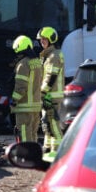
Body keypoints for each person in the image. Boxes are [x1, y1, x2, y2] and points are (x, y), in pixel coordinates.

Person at [10, 35, 44, 143]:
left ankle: (26, 156)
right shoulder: (38, 62)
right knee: (33, 134)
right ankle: (34, 156)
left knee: (24, 135)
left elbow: (21, 87)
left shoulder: (23, 64)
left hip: (24, 107)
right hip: (36, 106)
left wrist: (14, 100)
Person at [37, 26, 64, 156]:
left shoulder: (54, 56)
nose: (42, 42)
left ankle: (58, 150)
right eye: (41, 40)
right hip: (48, 95)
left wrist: (43, 93)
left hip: (51, 96)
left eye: (44, 40)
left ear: (51, 40)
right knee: (46, 123)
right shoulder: (49, 55)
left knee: (53, 124)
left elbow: (51, 77)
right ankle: (48, 147)